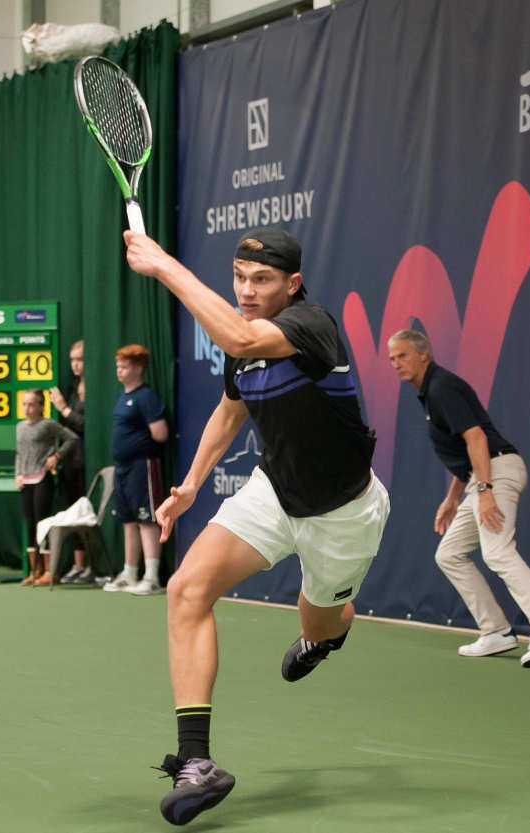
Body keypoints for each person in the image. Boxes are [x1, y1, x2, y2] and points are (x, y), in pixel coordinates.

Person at [123, 226, 389, 825]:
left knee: (320, 618)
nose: (246, 290)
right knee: (187, 590)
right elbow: (231, 407)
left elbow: (240, 335)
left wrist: (165, 266)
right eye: (239, 278)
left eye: (261, 280)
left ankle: (326, 635)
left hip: (342, 514)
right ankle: (197, 762)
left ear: (292, 284)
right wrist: (190, 485)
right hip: (274, 494)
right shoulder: (245, 352)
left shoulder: (312, 326)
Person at [388, 328, 530, 668]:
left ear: (423, 354)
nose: (395, 364)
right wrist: (452, 498)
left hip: (497, 472)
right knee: (450, 553)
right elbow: (465, 451)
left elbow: (476, 439)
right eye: (391, 359)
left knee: (498, 551)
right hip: (481, 477)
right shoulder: (431, 393)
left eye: (402, 356)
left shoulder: (442, 388)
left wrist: (485, 491)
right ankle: (497, 632)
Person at [102, 344, 169, 596]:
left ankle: (151, 578)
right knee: (128, 521)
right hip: (122, 469)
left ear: (139, 368)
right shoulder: (122, 395)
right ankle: (129, 573)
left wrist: (138, 445)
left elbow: (160, 434)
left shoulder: (146, 397)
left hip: (143, 466)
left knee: (146, 520)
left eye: (125, 366)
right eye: (118, 366)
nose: (119, 371)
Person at [14, 389, 78, 586]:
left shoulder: (48, 424)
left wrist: (56, 457)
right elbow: (19, 452)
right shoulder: (19, 427)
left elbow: (71, 438)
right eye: (24, 404)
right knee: (31, 524)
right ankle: (35, 571)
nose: (27, 408)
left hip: (43, 479)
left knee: (43, 523)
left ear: (41, 406)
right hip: (26, 480)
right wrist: (17, 474)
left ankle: (51, 572)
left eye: (32, 404)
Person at [48, 339, 92, 584]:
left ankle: (92, 567)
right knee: (72, 513)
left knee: (86, 514)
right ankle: (79, 565)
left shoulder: (93, 391)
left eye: (80, 359)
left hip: (86, 461)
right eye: (73, 360)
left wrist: (64, 409)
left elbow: (85, 425)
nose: (75, 365)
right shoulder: (73, 387)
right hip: (70, 462)